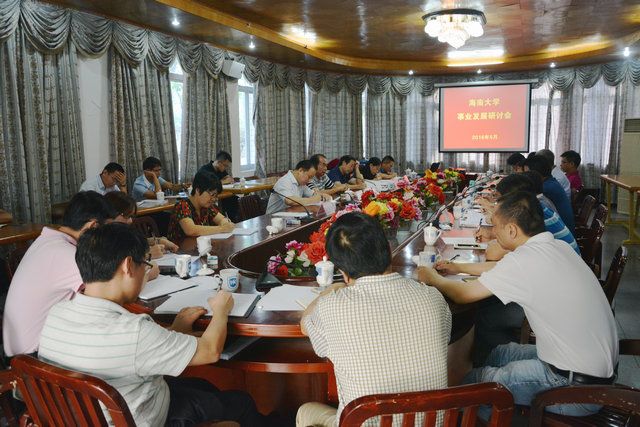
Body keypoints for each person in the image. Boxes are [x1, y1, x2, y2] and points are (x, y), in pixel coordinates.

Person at [38, 223, 269, 426]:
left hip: (81, 417)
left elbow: (128, 352)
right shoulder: (134, 331)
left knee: (203, 386)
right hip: (140, 419)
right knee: (242, 402)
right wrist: (221, 310)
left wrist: (175, 330)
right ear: (128, 266)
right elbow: (210, 351)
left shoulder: (56, 314)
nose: (145, 273)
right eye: (145, 264)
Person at [419, 191, 617, 416]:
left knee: (472, 384)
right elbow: (501, 270)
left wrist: (432, 278)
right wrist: (458, 268)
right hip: (591, 373)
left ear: (511, 230)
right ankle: (497, 407)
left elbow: (464, 295)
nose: (492, 233)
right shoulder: (554, 248)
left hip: (573, 388)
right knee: (499, 354)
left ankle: (487, 411)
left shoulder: (525, 260)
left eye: (495, 227)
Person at [297, 212, 451, 427]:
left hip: (362, 422)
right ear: (388, 250)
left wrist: (330, 291)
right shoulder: (432, 297)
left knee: (306, 412)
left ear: (343, 272)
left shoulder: (332, 306)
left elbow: (305, 325)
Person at [2, 191, 116, 357]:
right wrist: (146, 274)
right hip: (33, 359)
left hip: (23, 349)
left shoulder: (49, 241)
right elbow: (110, 289)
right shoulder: (65, 253)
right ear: (93, 227)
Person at [104, 192, 179, 258]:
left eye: (131, 216)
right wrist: (147, 255)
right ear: (110, 213)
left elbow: (133, 243)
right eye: (126, 216)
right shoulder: (100, 238)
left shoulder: (120, 233)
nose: (130, 221)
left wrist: (158, 241)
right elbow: (114, 260)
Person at [167, 171, 235, 242]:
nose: (214, 199)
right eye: (212, 195)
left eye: (216, 196)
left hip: (199, 248)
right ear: (198, 190)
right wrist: (222, 229)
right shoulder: (182, 205)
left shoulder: (206, 206)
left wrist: (226, 224)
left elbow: (222, 219)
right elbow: (191, 230)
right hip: (179, 250)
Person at [524, 154, 575, 234]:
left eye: (527, 173)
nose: (525, 176)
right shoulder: (550, 182)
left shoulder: (546, 188)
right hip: (562, 232)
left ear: (535, 174)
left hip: (560, 237)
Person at [266, 160, 331, 214]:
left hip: (290, 214)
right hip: (273, 218)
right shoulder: (284, 181)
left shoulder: (301, 182)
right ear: (300, 171)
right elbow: (290, 201)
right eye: (309, 177)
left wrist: (323, 195)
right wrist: (313, 200)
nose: (310, 181)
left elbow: (312, 193)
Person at [199, 151, 240, 221]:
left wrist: (226, 180)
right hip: (208, 196)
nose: (226, 168)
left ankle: (234, 222)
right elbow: (208, 185)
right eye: (225, 165)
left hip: (222, 194)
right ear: (219, 162)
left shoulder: (221, 169)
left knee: (235, 199)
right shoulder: (205, 169)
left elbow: (229, 179)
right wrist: (222, 181)